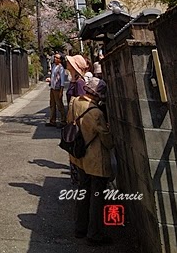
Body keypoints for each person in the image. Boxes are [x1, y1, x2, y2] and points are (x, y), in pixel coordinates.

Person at [67, 77, 114, 246]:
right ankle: (94, 233)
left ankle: (80, 228)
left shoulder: (74, 102)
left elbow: (69, 122)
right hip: (95, 159)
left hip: (79, 156)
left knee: (82, 191)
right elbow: (107, 140)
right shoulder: (96, 113)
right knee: (96, 196)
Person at [45, 52, 67, 126]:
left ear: (60, 60)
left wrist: (61, 90)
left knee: (59, 105)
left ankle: (63, 121)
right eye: (55, 57)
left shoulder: (61, 68)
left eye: (57, 58)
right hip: (52, 87)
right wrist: (50, 80)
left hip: (57, 89)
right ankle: (52, 121)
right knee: (52, 104)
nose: (55, 59)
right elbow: (53, 76)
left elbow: (62, 80)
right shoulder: (54, 65)